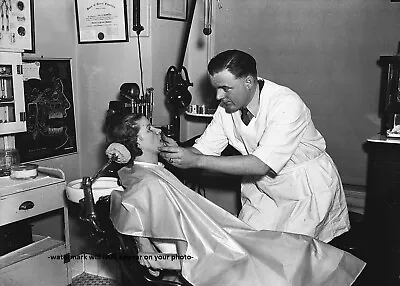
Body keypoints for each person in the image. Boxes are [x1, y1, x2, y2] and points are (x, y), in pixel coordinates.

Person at [105, 112, 365, 286]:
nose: (158, 130)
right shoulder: (147, 180)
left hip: (214, 237)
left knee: (293, 246)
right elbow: (131, 206)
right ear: (134, 144)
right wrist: (145, 247)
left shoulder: (142, 172)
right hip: (205, 251)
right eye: (149, 129)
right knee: (292, 255)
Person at [160, 49, 349, 243]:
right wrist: (176, 152)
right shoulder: (227, 107)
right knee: (248, 248)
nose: (218, 96)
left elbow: (260, 164)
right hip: (263, 191)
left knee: (293, 259)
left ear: (248, 82)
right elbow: (203, 149)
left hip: (304, 190)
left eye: (225, 88)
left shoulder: (286, 104)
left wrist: (196, 161)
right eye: (216, 88)